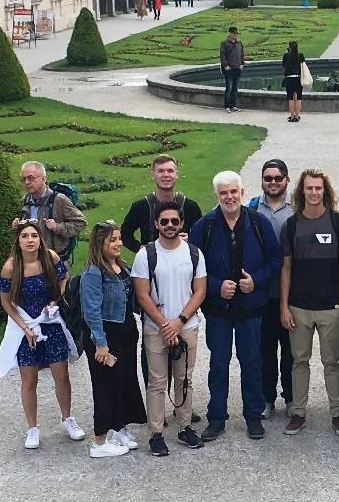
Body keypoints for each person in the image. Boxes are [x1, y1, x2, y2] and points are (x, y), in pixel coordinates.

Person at [188, 171, 282, 442]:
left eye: (233, 192)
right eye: (223, 193)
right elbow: (193, 265)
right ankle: (217, 418)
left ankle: (253, 415)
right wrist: (217, 286)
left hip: (251, 307)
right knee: (218, 363)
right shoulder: (204, 226)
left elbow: (274, 260)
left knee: (252, 361)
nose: (229, 197)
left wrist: (257, 280)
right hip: (218, 309)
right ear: (217, 196)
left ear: (242, 193)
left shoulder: (257, 222)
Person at [0, 221, 85, 449]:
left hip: (50, 323)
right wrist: (24, 328)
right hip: (25, 326)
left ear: (40, 238)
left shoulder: (50, 258)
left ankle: (67, 418)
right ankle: (32, 428)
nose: (30, 240)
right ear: (18, 240)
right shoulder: (11, 267)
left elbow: (64, 279)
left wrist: (55, 301)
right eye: (24, 236)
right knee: (29, 380)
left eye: (34, 235)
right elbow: (6, 302)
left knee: (62, 375)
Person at [279, 169, 339, 437]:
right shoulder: (292, 225)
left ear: (325, 191)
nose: (313, 193)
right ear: (301, 191)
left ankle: (337, 413)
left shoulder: (338, 223)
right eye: (309, 188)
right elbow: (285, 269)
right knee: (299, 361)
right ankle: (298, 413)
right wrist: (284, 306)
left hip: (331, 307)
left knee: (331, 362)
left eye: (318, 188)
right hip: (299, 307)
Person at [132, 202, 207, 456]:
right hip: (156, 327)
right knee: (157, 382)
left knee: (184, 379)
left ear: (181, 223)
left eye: (174, 221)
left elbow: (200, 291)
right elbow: (142, 295)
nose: (170, 226)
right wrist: (166, 324)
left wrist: (180, 322)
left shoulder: (194, 253)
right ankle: (156, 432)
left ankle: (184, 426)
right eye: (164, 221)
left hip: (186, 325)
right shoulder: (146, 255)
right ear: (156, 225)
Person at [80, 221, 147, 458]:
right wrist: (100, 342)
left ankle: (119, 428)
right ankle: (99, 442)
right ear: (100, 243)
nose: (119, 243)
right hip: (106, 335)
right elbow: (91, 311)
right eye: (113, 240)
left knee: (125, 382)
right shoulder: (93, 273)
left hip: (126, 331)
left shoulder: (122, 266)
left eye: (119, 238)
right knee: (106, 386)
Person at [247, 159, 294, 420]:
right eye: (268, 178)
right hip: (262, 291)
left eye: (278, 178)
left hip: (292, 291)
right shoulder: (252, 208)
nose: (273, 182)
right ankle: (266, 397)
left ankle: (291, 397)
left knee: (291, 350)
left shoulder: (297, 208)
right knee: (264, 349)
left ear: (287, 179)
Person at [120, 153, 203, 254]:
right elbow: (124, 234)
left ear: (176, 174)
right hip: (152, 264)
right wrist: (140, 248)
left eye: (170, 171)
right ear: (153, 175)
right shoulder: (141, 207)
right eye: (160, 171)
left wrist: (190, 241)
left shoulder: (190, 207)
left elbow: (203, 236)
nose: (166, 175)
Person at [15, 161, 87, 266]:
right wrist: (19, 225)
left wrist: (57, 227)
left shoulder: (58, 200)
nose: (26, 182)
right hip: (32, 260)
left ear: (43, 179)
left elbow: (81, 222)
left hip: (55, 261)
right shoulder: (25, 201)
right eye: (23, 179)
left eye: (31, 178)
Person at [220, 26, 244, 114]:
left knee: (235, 88)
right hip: (229, 68)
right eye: (234, 33)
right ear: (229, 33)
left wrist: (242, 64)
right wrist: (225, 65)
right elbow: (222, 56)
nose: (235, 35)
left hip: (238, 68)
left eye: (236, 33)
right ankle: (227, 106)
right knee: (229, 87)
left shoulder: (239, 43)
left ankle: (233, 105)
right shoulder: (225, 43)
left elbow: (242, 54)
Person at [282, 40, 305, 123]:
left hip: (289, 78)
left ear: (290, 47)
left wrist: (288, 53)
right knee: (298, 97)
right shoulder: (300, 55)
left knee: (291, 98)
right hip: (298, 78)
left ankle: (292, 116)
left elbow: (284, 64)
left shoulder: (286, 55)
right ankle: (297, 115)